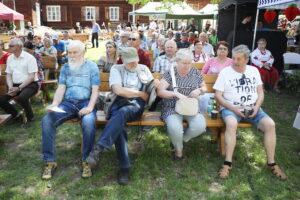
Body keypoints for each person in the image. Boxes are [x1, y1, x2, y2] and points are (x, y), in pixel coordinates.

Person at [213, 44, 287, 180]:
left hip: (253, 108)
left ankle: (271, 162)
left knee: (270, 125)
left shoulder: (253, 71)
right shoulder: (225, 72)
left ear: (247, 59)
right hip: (231, 108)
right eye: (234, 58)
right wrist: (233, 108)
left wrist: (257, 106)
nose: (235, 62)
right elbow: (218, 95)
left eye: (239, 59)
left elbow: (260, 91)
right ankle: (227, 163)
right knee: (231, 124)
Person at [86, 47, 154, 185]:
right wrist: (140, 93)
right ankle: (124, 167)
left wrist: (153, 87)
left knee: (122, 114)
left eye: (134, 61)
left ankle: (98, 149)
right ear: (123, 60)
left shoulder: (144, 69)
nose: (132, 64)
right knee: (119, 128)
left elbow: (151, 89)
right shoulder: (117, 69)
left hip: (135, 106)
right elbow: (117, 90)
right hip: (118, 102)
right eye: (129, 62)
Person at [41, 40, 100, 180]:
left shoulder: (92, 66)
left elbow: (95, 90)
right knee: (47, 121)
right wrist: (55, 104)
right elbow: (61, 88)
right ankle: (49, 161)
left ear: (83, 52)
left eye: (75, 52)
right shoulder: (66, 68)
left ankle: (87, 161)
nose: (72, 55)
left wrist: (90, 107)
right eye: (70, 52)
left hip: (86, 102)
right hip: (68, 104)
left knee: (89, 123)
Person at [157, 48, 207, 161]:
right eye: (184, 63)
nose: (187, 66)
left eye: (189, 63)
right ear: (177, 61)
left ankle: (180, 141)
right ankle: (179, 151)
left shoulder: (194, 71)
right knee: (175, 128)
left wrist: (199, 91)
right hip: (172, 107)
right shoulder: (170, 72)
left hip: (190, 107)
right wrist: (175, 94)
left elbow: (204, 87)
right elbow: (160, 92)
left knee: (200, 126)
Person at [0, 38, 38, 126]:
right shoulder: (10, 58)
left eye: (11, 45)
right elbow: (8, 74)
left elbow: (31, 76)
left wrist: (19, 88)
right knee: (1, 99)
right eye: (8, 45)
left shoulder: (29, 58)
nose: (8, 47)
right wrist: (10, 87)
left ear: (19, 46)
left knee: (22, 97)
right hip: (15, 86)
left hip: (30, 85)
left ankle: (30, 119)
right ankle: (17, 116)